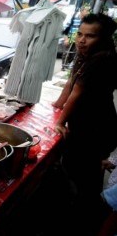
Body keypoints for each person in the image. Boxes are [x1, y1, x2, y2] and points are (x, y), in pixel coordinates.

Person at [53, 13, 117, 235]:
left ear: (103, 38)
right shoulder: (83, 55)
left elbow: (77, 93)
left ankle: (83, 220)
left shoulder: (103, 59)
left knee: (85, 175)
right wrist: (56, 105)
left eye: (89, 36)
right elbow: (71, 82)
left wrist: (60, 122)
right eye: (80, 34)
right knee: (75, 166)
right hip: (84, 122)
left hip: (97, 128)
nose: (81, 40)